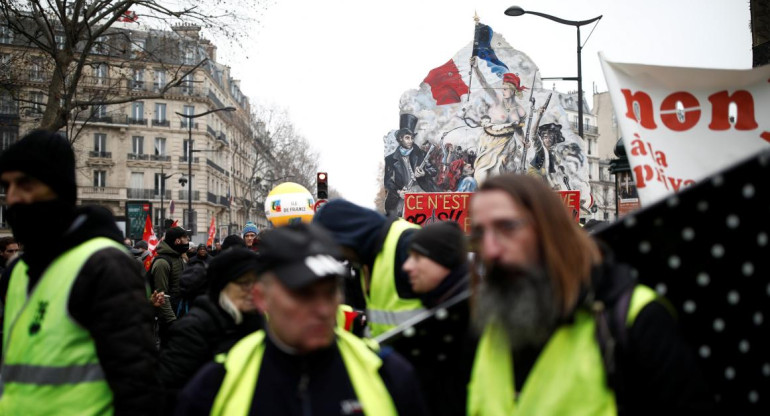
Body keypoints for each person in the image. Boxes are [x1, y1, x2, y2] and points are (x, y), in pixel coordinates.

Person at [466, 173, 714, 415]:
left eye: (507, 227)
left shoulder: (635, 318)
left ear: (551, 228)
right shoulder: (491, 326)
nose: (490, 250)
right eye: (479, 234)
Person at [175, 223, 428, 415]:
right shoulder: (216, 385)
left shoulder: (389, 374)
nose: (322, 309)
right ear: (261, 297)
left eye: (330, 291)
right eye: (303, 293)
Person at [0, 130, 161, 415]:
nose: (12, 198)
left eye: (25, 184)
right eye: (7, 186)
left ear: (57, 189)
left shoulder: (105, 265)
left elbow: (138, 387)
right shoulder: (18, 271)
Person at [159, 247, 263, 412]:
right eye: (244, 283)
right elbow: (168, 390)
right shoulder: (193, 328)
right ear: (223, 285)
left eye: (257, 282)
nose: (252, 290)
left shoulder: (260, 324)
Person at [313, 199, 422, 337]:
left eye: (337, 250)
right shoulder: (367, 258)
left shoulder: (405, 242)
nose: (340, 257)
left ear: (346, 237)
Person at [396, 221, 473, 416]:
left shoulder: (469, 324)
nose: (406, 266)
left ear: (443, 260)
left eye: (417, 257)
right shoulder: (444, 312)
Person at [474, 73, 528, 184]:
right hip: (489, 141)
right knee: (480, 174)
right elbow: (484, 84)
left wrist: (524, 141)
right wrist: (476, 68)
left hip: (506, 144)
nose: (502, 91)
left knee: (500, 172)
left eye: (505, 89)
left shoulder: (520, 110)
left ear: (513, 91)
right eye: (502, 89)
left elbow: (518, 130)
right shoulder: (498, 100)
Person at [384, 113, 439, 216]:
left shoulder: (420, 154)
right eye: (407, 138)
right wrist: (399, 192)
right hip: (402, 196)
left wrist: (424, 173)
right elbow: (388, 181)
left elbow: (434, 171)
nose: (410, 141)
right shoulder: (390, 159)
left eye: (412, 138)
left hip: (422, 193)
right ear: (400, 139)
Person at [151, 226, 189, 346]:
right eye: (185, 238)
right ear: (177, 241)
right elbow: (162, 296)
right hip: (169, 321)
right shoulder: (162, 262)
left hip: (180, 314)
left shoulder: (179, 258)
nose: (187, 241)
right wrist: (173, 322)